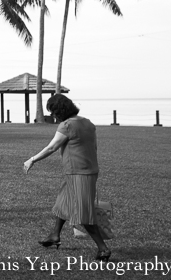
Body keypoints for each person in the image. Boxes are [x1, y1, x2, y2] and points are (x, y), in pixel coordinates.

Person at [24, 94, 110, 261]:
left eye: (54, 112)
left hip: (78, 173)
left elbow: (52, 147)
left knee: (83, 214)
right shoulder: (87, 122)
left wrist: (32, 159)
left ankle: (103, 248)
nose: (53, 116)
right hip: (88, 170)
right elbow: (94, 147)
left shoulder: (67, 125)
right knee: (63, 203)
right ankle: (55, 235)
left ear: (60, 111)